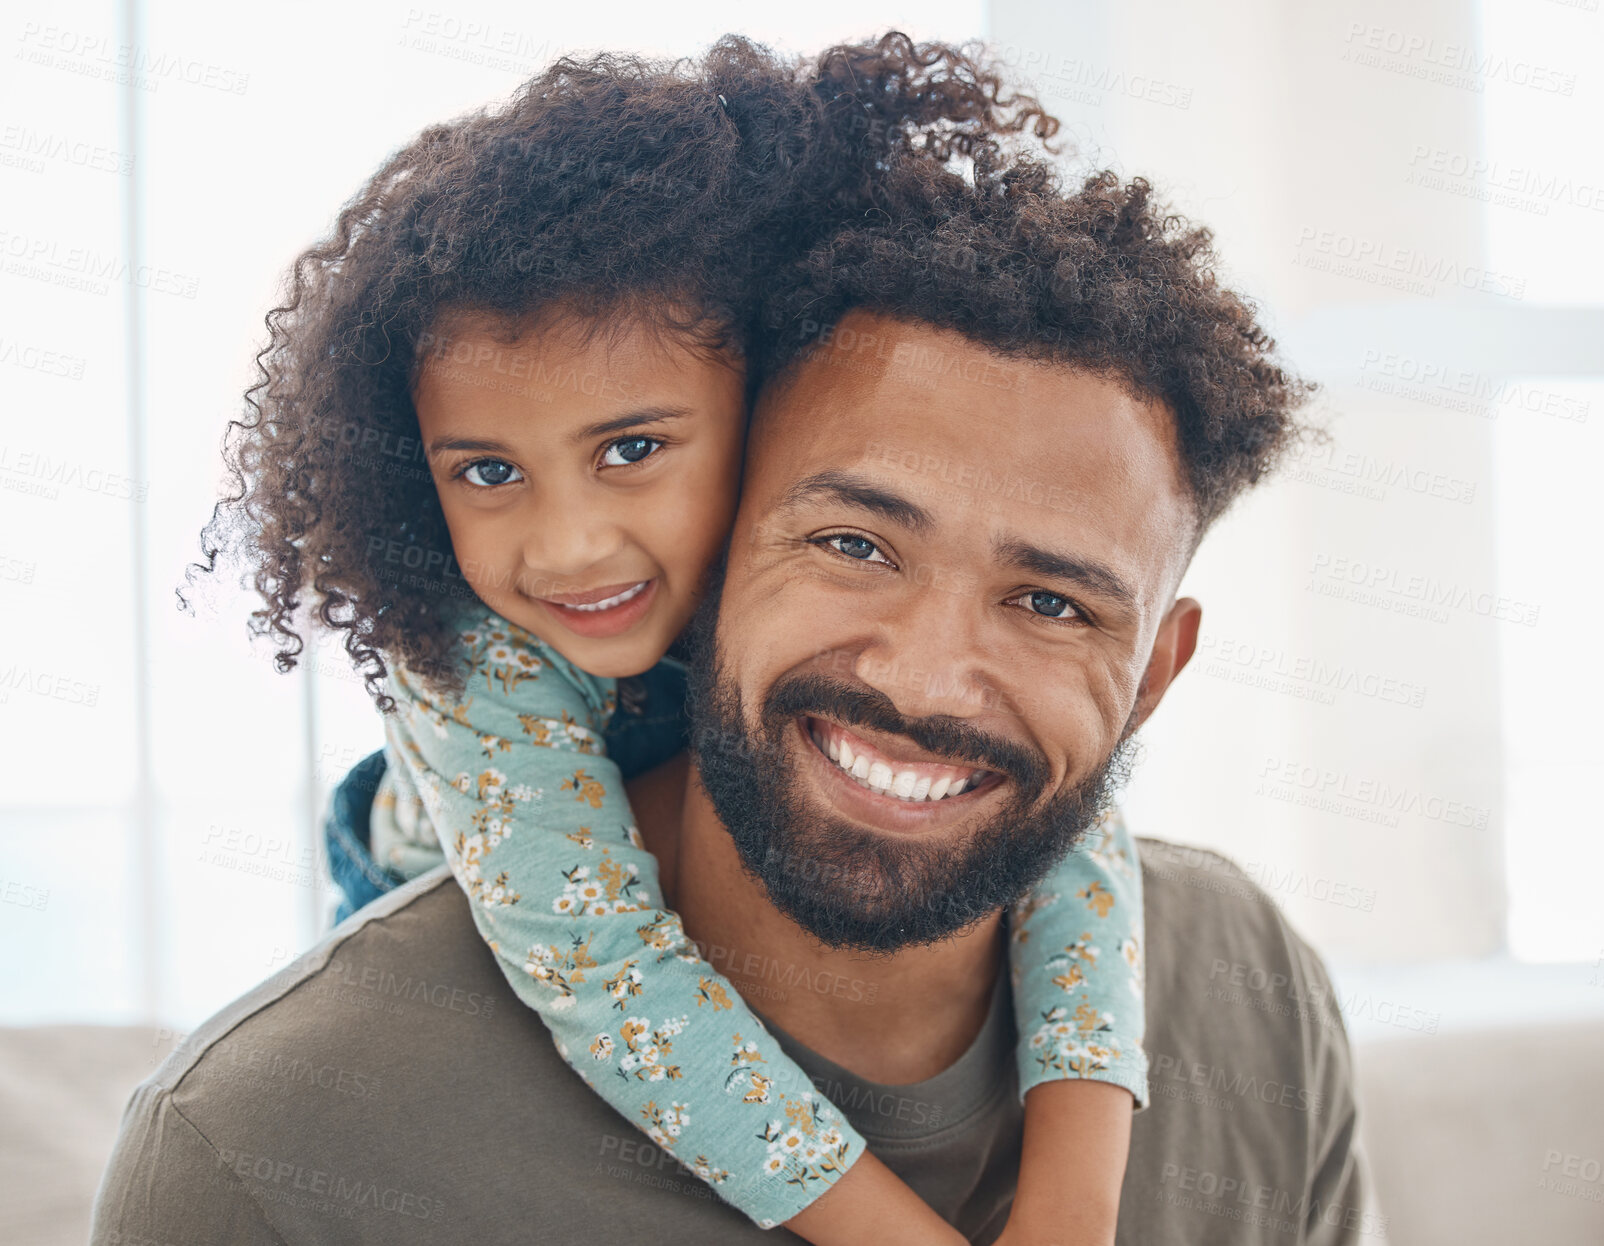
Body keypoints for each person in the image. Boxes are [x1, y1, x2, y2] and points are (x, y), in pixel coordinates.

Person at [92, 54, 1382, 1246]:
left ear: (1154, 674)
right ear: (743, 528)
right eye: (856, 544)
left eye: (1052, 606)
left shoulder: (1251, 991)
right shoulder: (264, 1151)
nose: (575, 547)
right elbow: (607, 976)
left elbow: (1077, 834)